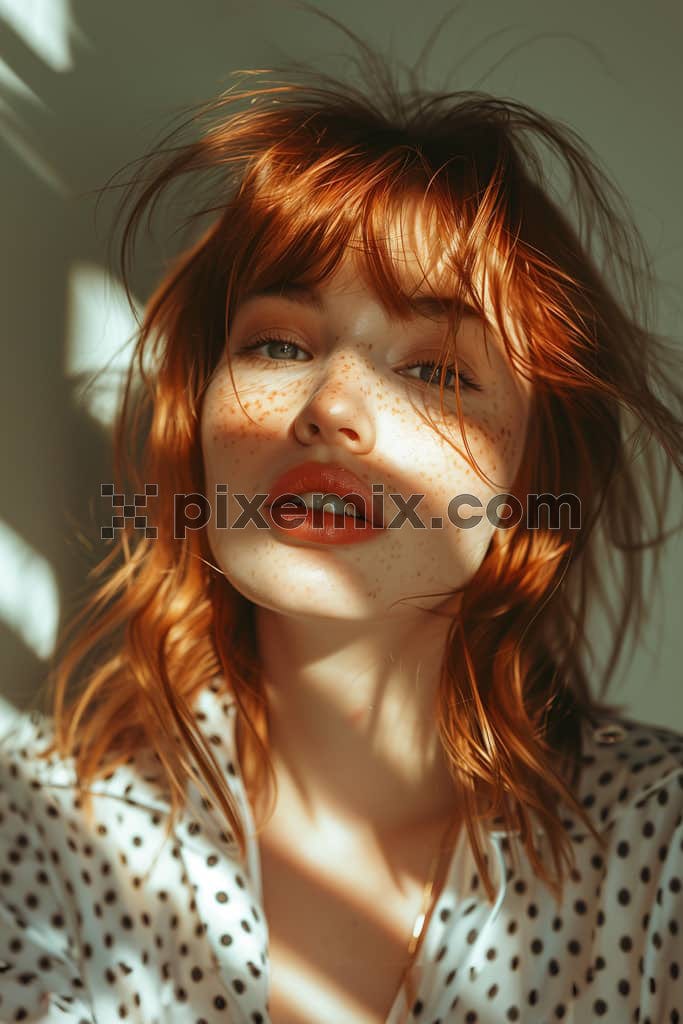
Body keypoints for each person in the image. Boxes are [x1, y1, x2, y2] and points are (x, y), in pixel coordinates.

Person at [1, 30, 682, 1024]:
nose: (330, 406)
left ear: (535, 471)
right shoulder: (36, 831)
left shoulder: (657, 849)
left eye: (435, 368)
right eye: (277, 342)